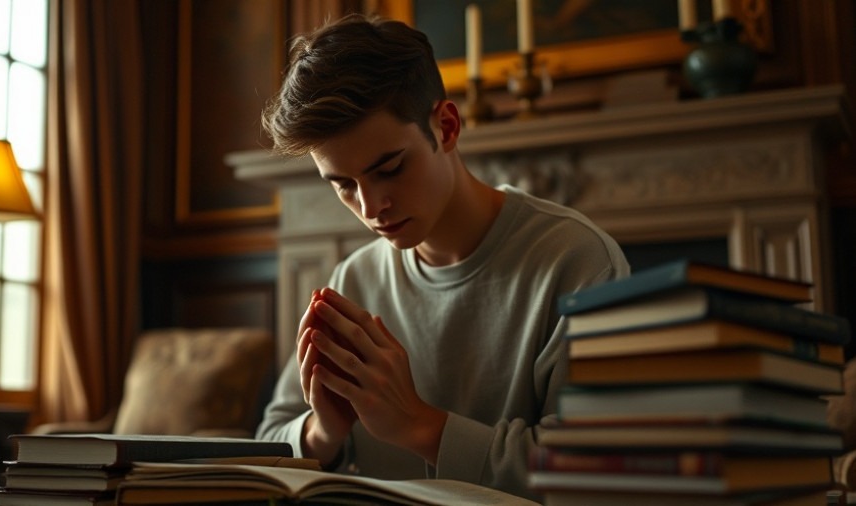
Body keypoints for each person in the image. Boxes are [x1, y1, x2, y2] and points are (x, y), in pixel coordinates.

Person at [255, 13, 629, 500]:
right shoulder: (355, 279)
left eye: (389, 168)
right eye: (343, 185)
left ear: (447, 126)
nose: (370, 209)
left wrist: (417, 425)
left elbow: (597, 472)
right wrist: (323, 432)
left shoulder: (579, 262)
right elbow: (268, 441)